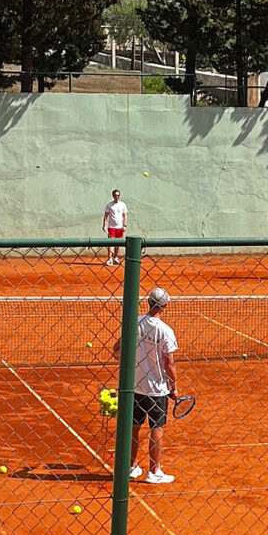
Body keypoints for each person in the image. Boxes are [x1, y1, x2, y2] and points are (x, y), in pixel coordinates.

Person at [113, 288, 178, 484]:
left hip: (134, 386)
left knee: (133, 427)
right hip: (157, 389)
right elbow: (169, 363)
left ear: (148, 303)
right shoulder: (165, 331)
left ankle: (131, 467)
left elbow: (116, 350)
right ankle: (154, 471)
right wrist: (173, 387)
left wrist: (131, 365)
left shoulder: (135, 323)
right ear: (165, 306)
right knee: (156, 428)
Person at [102, 189, 128, 265]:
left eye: (118, 195)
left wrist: (124, 225)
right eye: (115, 195)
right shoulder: (109, 205)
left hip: (120, 227)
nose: (117, 197)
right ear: (113, 196)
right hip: (111, 227)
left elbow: (125, 215)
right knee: (111, 243)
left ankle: (115, 258)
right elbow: (106, 216)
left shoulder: (123, 205)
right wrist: (104, 225)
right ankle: (109, 259)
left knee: (117, 244)